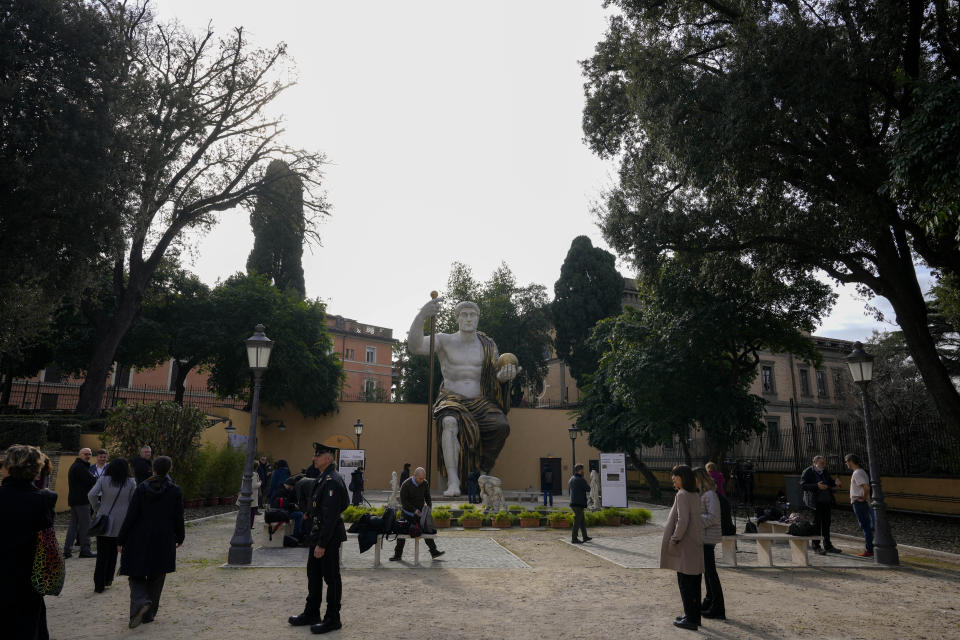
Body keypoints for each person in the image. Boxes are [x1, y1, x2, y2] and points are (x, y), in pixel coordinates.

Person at [409, 299, 519, 496]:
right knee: (449, 423)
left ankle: (483, 471)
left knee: (501, 426)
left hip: (481, 401)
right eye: (464, 315)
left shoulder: (488, 345)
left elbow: (494, 376)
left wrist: (504, 377)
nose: (469, 319)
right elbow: (415, 347)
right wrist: (422, 316)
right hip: (452, 399)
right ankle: (453, 481)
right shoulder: (445, 340)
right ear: (457, 318)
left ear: (477, 318)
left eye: (473, 315)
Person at [117, 455, 185, 628]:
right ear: (169, 469)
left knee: (136, 572)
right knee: (157, 574)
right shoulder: (175, 490)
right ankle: (149, 613)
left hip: (139, 535)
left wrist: (121, 538)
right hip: (164, 536)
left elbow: (131, 515)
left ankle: (140, 601)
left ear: (153, 469)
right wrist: (180, 536)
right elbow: (178, 516)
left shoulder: (141, 488)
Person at [288, 443, 349, 634]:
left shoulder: (332, 479)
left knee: (331, 578)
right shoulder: (323, 477)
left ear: (329, 458)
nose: (314, 458)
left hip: (328, 537)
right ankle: (312, 612)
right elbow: (319, 504)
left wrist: (322, 543)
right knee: (313, 576)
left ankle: (332, 618)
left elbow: (332, 514)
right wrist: (309, 514)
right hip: (318, 533)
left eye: (319, 455)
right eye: (315, 455)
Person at [0, 444, 58, 640]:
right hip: (28, 580)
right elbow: (48, 544)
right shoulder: (44, 500)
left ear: (8, 467)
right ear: (36, 469)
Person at [661, 464, 704, 631]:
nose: (673, 478)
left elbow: (682, 520)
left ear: (683, 478)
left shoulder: (682, 495)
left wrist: (675, 538)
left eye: (676, 476)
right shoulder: (694, 494)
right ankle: (693, 616)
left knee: (685, 582)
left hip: (685, 544)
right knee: (694, 582)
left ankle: (691, 619)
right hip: (694, 543)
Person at [88, 458, 136, 593]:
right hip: (122, 521)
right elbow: (134, 501)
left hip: (104, 519)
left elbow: (91, 494)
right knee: (115, 551)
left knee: (102, 555)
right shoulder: (131, 482)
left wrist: (97, 507)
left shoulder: (103, 480)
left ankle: (99, 585)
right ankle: (108, 579)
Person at [390, 466, 445, 561]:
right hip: (407, 514)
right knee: (402, 534)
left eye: (423, 478)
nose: (422, 480)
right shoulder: (406, 485)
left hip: (420, 514)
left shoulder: (425, 483)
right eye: (420, 478)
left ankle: (434, 552)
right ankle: (397, 555)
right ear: (415, 476)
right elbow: (404, 502)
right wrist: (414, 510)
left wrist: (429, 507)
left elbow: (427, 496)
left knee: (426, 530)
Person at [694, 467, 725, 620]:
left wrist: (695, 521)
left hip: (708, 537)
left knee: (711, 573)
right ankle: (709, 601)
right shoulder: (703, 493)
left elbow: (713, 517)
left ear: (699, 478)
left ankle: (718, 607)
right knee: (708, 573)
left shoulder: (710, 494)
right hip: (703, 537)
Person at [800, 455, 842, 555]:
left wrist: (835, 482)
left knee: (827, 523)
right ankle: (816, 546)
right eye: (821, 463)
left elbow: (830, 482)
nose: (824, 464)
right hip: (815, 502)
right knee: (817, 524)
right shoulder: (808, 471)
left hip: (826, 501)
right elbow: (803, 485)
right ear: (815, 463)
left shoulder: (825, 471)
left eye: (824, 462)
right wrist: (816, 486)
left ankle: (828, 545)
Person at [64, 447, 96, 559]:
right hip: (82, 500)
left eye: (89, 454)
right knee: (85, 525)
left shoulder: (77, 466)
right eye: (85, 454)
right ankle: (85, 550)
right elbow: (92, 480)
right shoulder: (80, 467)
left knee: (73, 526)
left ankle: (67, 550)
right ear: (79, 455)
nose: (88, 456)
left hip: (75, 500)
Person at [845, 453, 874, 558]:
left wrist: (863, 497)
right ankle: (870, 548)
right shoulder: (861, 472)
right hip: (861, 502)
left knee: (865, 526)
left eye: (846, 461)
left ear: (851, 461)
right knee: (867, 526)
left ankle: (869, 549)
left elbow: (866, 487)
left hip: (859, 502)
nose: (846, 463)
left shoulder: (857, 473)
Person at [568, 463, 591, 544]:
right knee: (577, 521)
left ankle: (585, 537)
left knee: (582, 521)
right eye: (582, 470)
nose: (583, 471)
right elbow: (588, 489)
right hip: (579, 503)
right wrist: (586, 481)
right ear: (579, 470)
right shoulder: (581, 479)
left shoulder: (571, 479)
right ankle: (574, 539)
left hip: (573, 502)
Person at [240, 461, 262, 529]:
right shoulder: (255, 474)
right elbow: (254, 485)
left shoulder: (245, 473)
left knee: (245, 511)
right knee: (252, 511)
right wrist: (260, 483)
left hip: (245, 494)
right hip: (252, 495)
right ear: (256, 467)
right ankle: (249, 525)